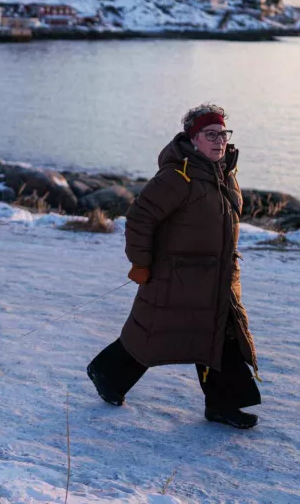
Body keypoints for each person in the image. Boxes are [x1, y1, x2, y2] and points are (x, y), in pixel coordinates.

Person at [87, 104, 262, 429]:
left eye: (223, 133)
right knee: (151, 335)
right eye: (211, 134)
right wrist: (141, 262)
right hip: (176, 280)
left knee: (220, 337)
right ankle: (107, 375)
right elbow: (140, 218)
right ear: (193, 139)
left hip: (218, 280)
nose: (220, 140)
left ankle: (223, 405)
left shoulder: (224, 174)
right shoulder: (177, 176)